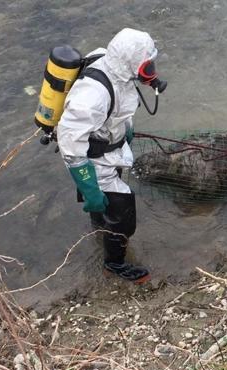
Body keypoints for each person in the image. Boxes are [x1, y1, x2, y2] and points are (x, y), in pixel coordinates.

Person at [56, 28, 166, 284]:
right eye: (147, 65)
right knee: (124, 217)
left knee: (106, 208)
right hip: (94, 159)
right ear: (130, 62)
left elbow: (119, 104)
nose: (150, 69)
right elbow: (71, 147)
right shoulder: (91, 98)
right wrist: (89, 187)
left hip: (111, 145)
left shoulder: (110, 61)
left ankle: (99, 221)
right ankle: (114, 264)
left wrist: (126, 130)